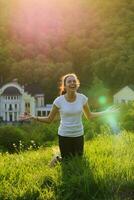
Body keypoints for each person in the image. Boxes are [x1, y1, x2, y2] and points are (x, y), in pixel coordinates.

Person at [20, 73, 118, 165]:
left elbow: (90, 116)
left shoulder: (82, 98)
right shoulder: (59, 101)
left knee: (77, 161)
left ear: (77, 84)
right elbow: (49, 119)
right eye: (69, 81)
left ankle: (58, 158)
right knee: (67, 162)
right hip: (64, 135)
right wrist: (33, 117)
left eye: (74, 81)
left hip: (78, 134)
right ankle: (57, 158)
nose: (72, 83)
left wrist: (106, 112)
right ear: (65, 86)